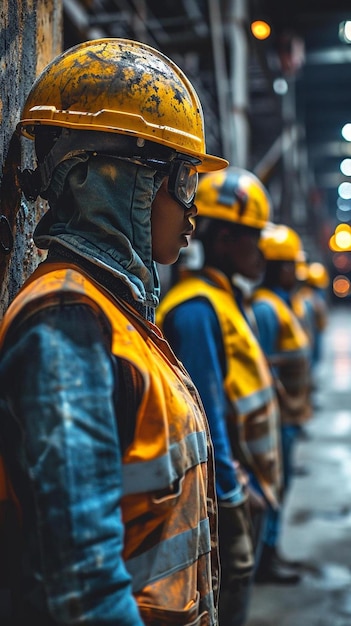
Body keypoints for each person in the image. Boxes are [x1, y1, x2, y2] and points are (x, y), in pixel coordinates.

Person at [0, 38, 230, 625]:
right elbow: (85, 588)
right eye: (183, 182)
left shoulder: (116, 313)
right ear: (118, 180)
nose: (192, 211)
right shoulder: (66, 324)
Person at [156, 167, 282, 625]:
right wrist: (230, 493)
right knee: (232, 585)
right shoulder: (196, 309)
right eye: (253, 236)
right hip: (227, 492)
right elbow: (207, 412)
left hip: (245, 482)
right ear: (226, 238)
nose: (262, 249)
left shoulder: (224, 299)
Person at [252, 223, 312, 584]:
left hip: (289, 415)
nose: (295, 271)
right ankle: (266, 558)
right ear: (276, 267)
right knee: (273, 490)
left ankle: (272, 551)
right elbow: (262, 365)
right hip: (277, 417)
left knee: (282, 487)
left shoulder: (280, 303)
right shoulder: (265, 308)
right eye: (289, 264)